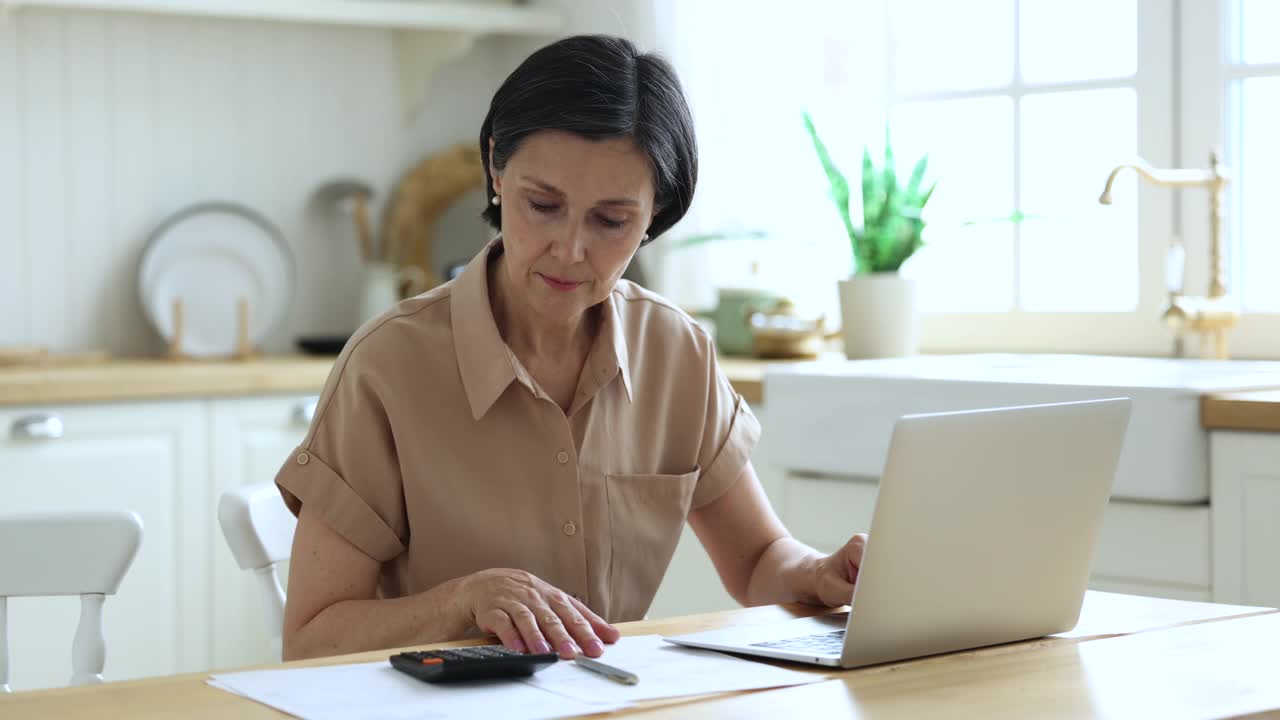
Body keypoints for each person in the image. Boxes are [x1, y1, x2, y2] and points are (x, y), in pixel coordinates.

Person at [275, 34, 867, 662]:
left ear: (653, 215)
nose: (570, 249)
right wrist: (463, 601)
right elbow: (312, 638)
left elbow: (756, 561)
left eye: (611, 221)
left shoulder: (676, 352)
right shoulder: (388, 365)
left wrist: (820, 573)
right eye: (543, 205)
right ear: (497, 170)